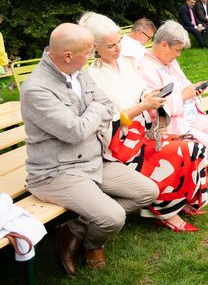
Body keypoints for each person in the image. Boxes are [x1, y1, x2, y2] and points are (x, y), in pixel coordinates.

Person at [21, 23, 158, 276]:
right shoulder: (36, 89)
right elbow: (75, 131)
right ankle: (94, 244)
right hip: (58, 171)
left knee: (148, 192)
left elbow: (106, 103)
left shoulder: (77, 70)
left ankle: (74, 230)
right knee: (113, 217)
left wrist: (90, 112)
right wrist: (94, 110)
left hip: (94, 158)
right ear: (67, 55)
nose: (92, 56)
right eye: (88, 52)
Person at [79, 12, 208, 233]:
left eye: (119, 41)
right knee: (181, 151)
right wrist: (143, 105)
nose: (118, 49)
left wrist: (150, 95)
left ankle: (183, 200)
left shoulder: (127, 63)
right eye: (111, 45)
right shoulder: (94, 77)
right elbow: (110, 121)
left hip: (143, 132)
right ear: (95, 47)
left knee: (194, 145)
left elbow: (140, 90)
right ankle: (167, 213)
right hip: (120, 145)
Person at [140, 20, 208, 188]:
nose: (178, 55)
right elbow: (155, 106)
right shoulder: (146, 67)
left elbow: (183, 82)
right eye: (177, 50)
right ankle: (196, 187)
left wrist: (194, 88)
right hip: (170, 122)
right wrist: (183, 96)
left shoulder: (169, 61)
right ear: (163, 45)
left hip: (187, 114)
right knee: (205, 141)